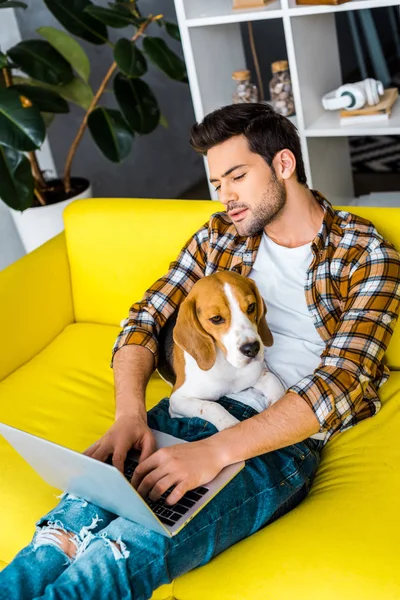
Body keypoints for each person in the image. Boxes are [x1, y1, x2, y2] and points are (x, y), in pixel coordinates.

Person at [2, 103, 400, 600]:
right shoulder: (218, 236)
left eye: (237, 176)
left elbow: (345, 380)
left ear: (283, 164)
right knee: (55, 540)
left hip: (276, 436)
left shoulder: (364, 252)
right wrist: (130, 416)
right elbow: (145, 319)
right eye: (217, 184)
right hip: (187, 405)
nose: (226, 197)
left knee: (122, 555)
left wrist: (214, 452)